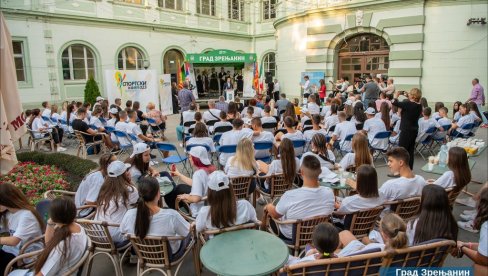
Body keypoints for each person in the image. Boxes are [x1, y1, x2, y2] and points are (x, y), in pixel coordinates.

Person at [8, 198, 89, 276]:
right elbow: (48, 243)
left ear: (54, 217)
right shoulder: (78, 227)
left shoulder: (63, 245)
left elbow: (44, 274)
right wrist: (50, 223)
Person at [264, 155, 335, 240]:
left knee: (268, 211)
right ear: (320, 172)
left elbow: (275, 215)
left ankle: (262, 233)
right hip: (318, 234)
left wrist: (268, 206)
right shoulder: (329, 193)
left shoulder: (290, 195)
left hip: (291, 236)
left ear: (301, 173)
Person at [119, 177, 190, 256]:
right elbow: (186, 232)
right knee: (190, 232)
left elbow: (123, 232)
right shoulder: (171, 215)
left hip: (143, 254)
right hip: (169, 255)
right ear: (158, 193)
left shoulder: (129, 214)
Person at [0, 184, 44, 274]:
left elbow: (14, 241)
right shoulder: (9, 213)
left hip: (24, 256)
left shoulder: (26, 215)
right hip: (11, 251)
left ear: (6, 201)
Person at [95, 161, 139, 244]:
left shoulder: (104, 188)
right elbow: (138, 207)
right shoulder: (130, 190)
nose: (128, 172)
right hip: (115, 235)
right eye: (126, 171)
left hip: (97, 233)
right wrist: (130, 183)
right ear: (123, 175)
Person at [171, 146, 216, 217]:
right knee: (180, 187)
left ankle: (176, 214)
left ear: (195, 159)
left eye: (190, 157)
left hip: (198, 210)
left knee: (176, 194)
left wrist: (186, 196)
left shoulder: (198, 174)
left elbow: (195, 199)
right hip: (210, 204)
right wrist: (179, 174)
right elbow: (196, 183)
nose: (189, 159)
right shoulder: (210, 169)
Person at [455, 186, 488, 274]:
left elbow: (483, 260)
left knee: (477, 269)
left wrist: (462, 248)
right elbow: (485, 248)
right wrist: (466, 245)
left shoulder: (486, 226)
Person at [391, 88, 423, 169]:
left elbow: (394, 102)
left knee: (401, 151)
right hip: (414, 130)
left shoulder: (408, 104)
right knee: (410, 150)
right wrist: (406, 95)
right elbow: (411, 103)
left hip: (406, 130)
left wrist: (396, 96)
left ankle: (400, 170)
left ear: (412, 95)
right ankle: (409, 168)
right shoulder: (419, 106)